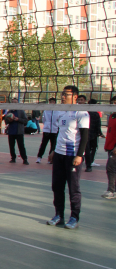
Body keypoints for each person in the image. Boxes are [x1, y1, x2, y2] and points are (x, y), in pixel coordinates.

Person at [46, 85, 89, 229]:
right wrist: (53, 150)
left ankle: (74, 217)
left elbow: (85, 136)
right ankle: (59, 215)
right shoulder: (61, 111)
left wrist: (79, 155)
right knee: (57, 186)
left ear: (75, 96)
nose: (63, 96)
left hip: (72, 155)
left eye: (66, 94)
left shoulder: (81, 113)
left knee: (73, 188)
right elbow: (60, 132)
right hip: (59, 154)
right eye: (62, 94)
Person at [5, 98, 29, 164]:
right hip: (11, 132)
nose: (14, 104)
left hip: (19, 132)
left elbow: (25, 121)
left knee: (21, 146)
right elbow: (6, 121)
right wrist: (9, 120)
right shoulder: (9, 112)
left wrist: (18, 119)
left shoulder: (21, 111)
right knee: (11, 146)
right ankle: (13, 158)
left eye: (15, 102)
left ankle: (25, 159)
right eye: (13, 102)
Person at [101, 95, 116, 199]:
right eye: (113, 103)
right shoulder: (111, 116)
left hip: (115, 147)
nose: (114, 104)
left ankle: (111, 190)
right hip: (110, 146)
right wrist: (107, 145)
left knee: (110, 168)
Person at [36, 97, 59, 164]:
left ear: (55, 103)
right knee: (43, 144)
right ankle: (39, 157)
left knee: (53, 145)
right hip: (47, 130)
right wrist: (46, 125)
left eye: (53, 102)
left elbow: (58, 119)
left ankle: (50, 159)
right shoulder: (46, 110)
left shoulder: (58, 110)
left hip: (55, 130)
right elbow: (44, 119)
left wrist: (56, 126)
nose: (51, 103)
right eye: (50, 102)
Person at [84, 98, 103, 173]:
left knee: (87, 149)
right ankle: (90, 162)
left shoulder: (86, 113)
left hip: (87, 133)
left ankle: (88, 164)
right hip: (93, 134)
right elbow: (98, 124)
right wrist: (100, 133)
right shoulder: (95, 114)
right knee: (93, 148)